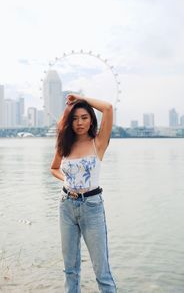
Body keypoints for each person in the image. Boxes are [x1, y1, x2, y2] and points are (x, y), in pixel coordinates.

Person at [50, 93, 117, 293]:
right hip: (66, 205)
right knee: (70, 269)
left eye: (84, 117)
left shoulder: (99, 143)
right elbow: (54, 168)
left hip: (92, 206)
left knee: (102, 271)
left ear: (91, 120)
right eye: (74, 118)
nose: (79, 123)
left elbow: (108, 108)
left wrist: (80, 99)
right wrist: (68, 180)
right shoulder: (65, 145)